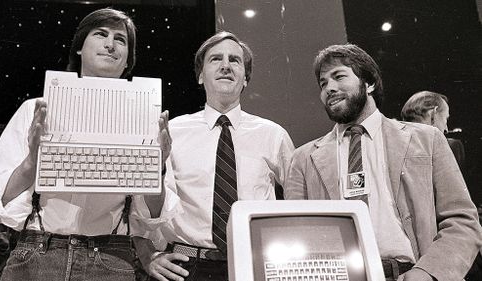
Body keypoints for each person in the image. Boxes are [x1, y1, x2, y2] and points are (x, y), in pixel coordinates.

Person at [0, 8, 176, 281]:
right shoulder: (36, 110)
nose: (110, 44)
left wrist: (159, 168)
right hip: (36, 255)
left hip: (109, 260)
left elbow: (152, 216)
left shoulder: (148, 121)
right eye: (101, 34)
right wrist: (31, 162)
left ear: (127, 61)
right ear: (80, 49)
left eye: (120, 39)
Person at [285, 44, 482, 281]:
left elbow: (462, 220)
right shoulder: (303, 159)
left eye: (338, 76)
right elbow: (298, 237)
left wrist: (428, 272)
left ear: (369, 83)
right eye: (323, 83)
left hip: (414, 273)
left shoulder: (427, 140)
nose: (330, 88)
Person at [137, 31, 295, 281]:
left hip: (256, 266)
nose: (225, 66)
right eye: (215, 59)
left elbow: (300, 202)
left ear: (245, 78)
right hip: (186, 267)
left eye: (235, 60)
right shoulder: (172, 132)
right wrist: (147, 256)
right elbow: (146, 210)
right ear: (200, 76)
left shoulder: (273, 135)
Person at [400, 91, 465, 171]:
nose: (446, 129)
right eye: (445, 119)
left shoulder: (391, 145)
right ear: (433, 113)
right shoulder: (450, 147)